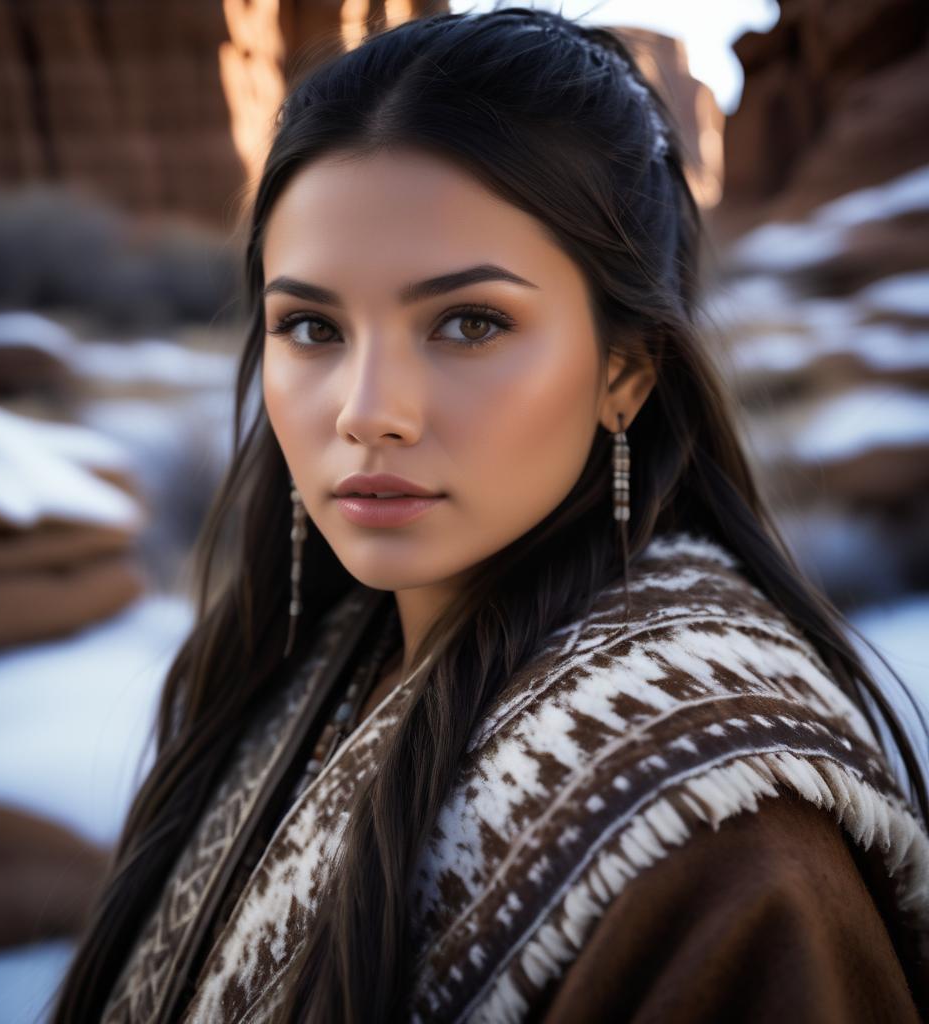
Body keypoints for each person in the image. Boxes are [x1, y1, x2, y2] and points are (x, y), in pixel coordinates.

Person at [48, 8, 929, 1022]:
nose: (367, 409)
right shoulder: (297, 663)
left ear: (624, 373)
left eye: (468, 323)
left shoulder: (723, 848)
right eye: (311, 326)